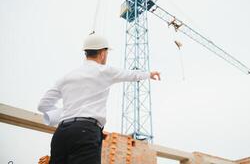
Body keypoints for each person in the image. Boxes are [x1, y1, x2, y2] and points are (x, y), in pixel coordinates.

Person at [37, 33, 160, 164]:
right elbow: (130, 74)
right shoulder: (104, 71)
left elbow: (42, 105)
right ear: (102, 53)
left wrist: (66, 112)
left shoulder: (66, 77)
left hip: (61, 133)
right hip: (86, 132)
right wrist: (149, 74)